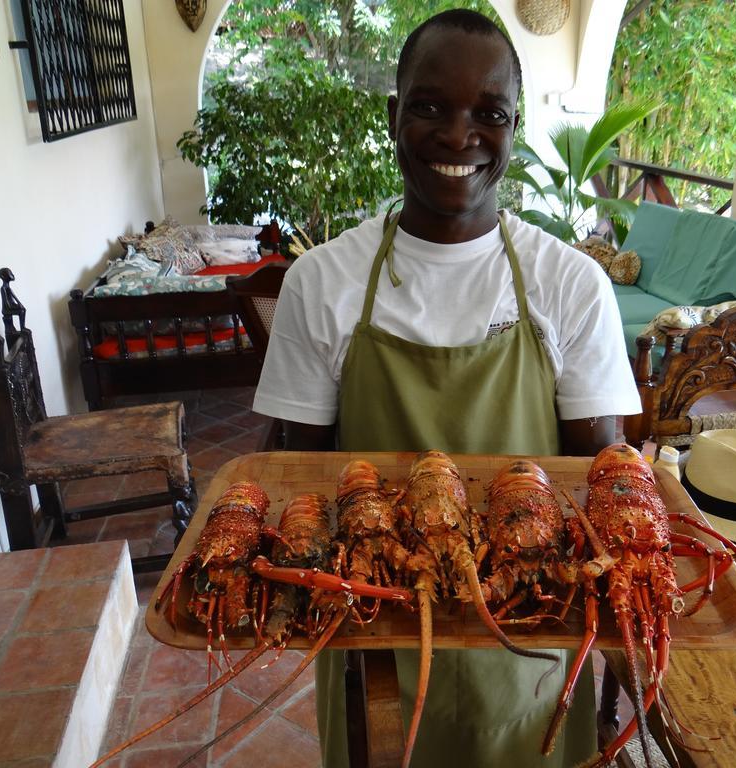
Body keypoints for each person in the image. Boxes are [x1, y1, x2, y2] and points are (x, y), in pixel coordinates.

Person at [253, 9, 640, 767]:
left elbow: (601, 472)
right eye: (429, 106)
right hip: (373, 621)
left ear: (515, 126)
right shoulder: (321, 281)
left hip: (531, 625)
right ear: (392, 115)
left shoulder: (571, 283)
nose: (459, 136)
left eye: (488, 114)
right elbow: (302, 478)